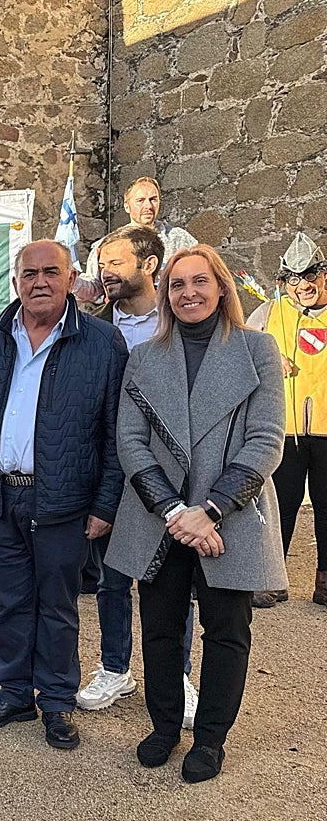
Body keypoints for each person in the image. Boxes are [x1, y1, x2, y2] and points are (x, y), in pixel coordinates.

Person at [106, 244, 286, 782]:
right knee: (160, 629)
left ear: (222, 287)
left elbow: (266, 440)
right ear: (165, 295)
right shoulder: (144, 358)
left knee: (227, 631)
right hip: (160, 518)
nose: (189, 293)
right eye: (178, 285)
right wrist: (173, 510)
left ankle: (210, 740)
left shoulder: (257, 350)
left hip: (228, 515)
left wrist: (209, 511)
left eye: (199, 282)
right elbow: (131, 441)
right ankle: (163, 727)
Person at [0, 240, 128, 751]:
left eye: (51, 272)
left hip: (63, 499)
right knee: (9, 602)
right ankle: (14, 692)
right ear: (15, 282)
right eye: (29, 273)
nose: (39, 281)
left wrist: (105, 504)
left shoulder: (102, 343)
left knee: (57, 605)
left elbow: (115, 432)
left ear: (71, 277)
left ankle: (56, 702)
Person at [76, 226, 201, 730]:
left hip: (171, 473)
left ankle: (179, 675)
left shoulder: (179, 321)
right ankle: (114, 667)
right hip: (109, 472)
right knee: (111, 578)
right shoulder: (91, 324)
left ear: (149, 265)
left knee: (177, 579)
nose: (103, 272)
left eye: (114, 262)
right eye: (100, 262)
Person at [246, 232, 327, 607]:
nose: (305, 284)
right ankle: (272, 578)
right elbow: (239, 350)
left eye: (311, 274)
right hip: (286, 428)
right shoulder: (268, 313)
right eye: (295, 277)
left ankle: (325, 582)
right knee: (281, 504)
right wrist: (268, 359)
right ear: (283, 282)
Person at [74, 177, 197, 306]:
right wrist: (71, 282)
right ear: (127, 206)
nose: (148, 206)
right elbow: (95, 289)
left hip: (170, 317)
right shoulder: (107, 245)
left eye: (153, 199)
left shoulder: (180, 239)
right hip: (124, 320)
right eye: (140, 200)